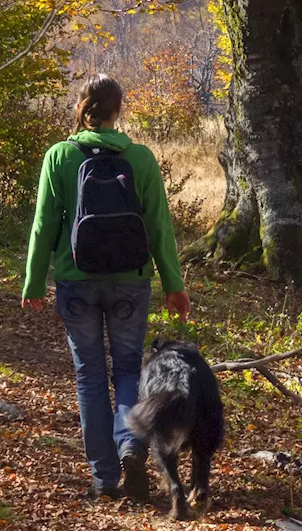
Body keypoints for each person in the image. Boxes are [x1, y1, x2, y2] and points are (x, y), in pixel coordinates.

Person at [21, 74, 191, 501]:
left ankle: (104, 479)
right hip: (131, 280)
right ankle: (131, 444)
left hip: (75, 279)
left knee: (90, 375)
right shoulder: (141, 158)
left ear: (82, 106)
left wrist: (33, 281)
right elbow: (159, 226)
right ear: (120, 110)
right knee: (130, 368)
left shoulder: (59, 156)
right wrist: (174, 284)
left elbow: (44, 225)